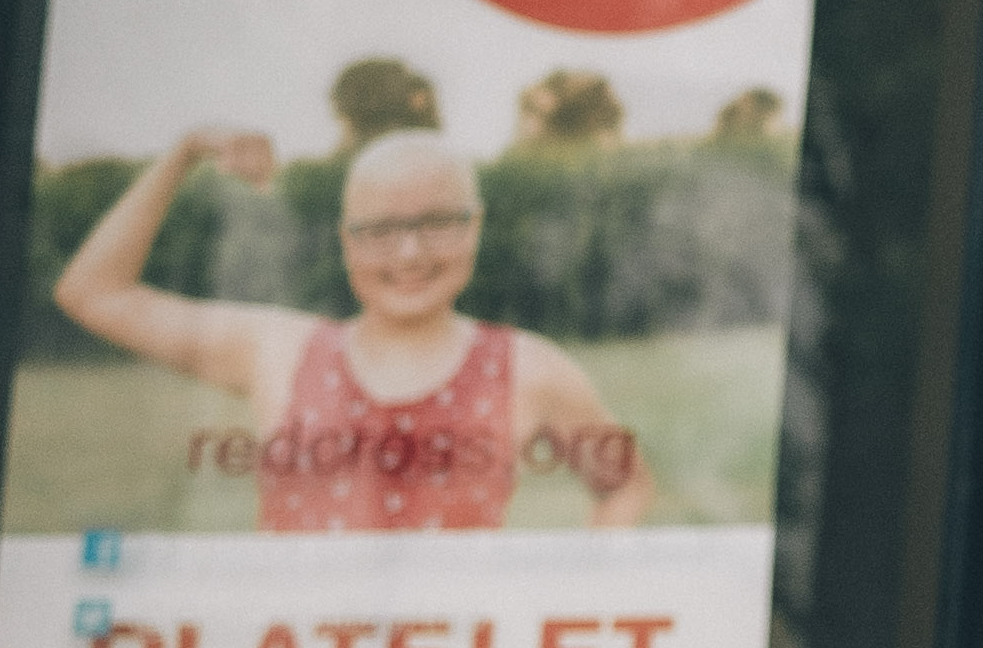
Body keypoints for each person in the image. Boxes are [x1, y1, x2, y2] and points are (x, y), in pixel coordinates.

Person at [51, 124, 648, 531]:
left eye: (438, 222)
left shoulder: (529, 367)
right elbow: (94, 292)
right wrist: (184, 151)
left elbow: (624, 486)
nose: (409, 254)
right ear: (344, 241)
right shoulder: (277, 351)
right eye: (380, 231)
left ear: (475, 227)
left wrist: (578, 589)